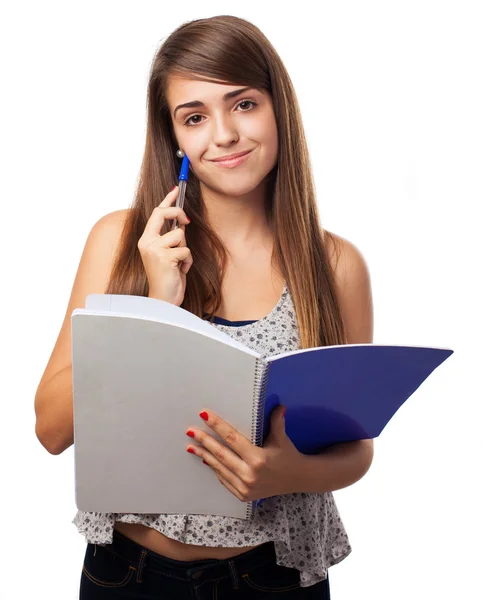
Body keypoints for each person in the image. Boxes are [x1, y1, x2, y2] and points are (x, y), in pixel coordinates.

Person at [34, 14, 374, 600]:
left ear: (278, 110)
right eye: (195, 117)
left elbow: (355, 450)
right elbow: (52, 430)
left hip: (275, 578)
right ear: (175, 139)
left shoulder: (335, 265)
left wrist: (280, 474)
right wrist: (151, 305)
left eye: (243, 105)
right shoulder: (119, 242)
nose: (224, 135)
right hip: (129, 575)